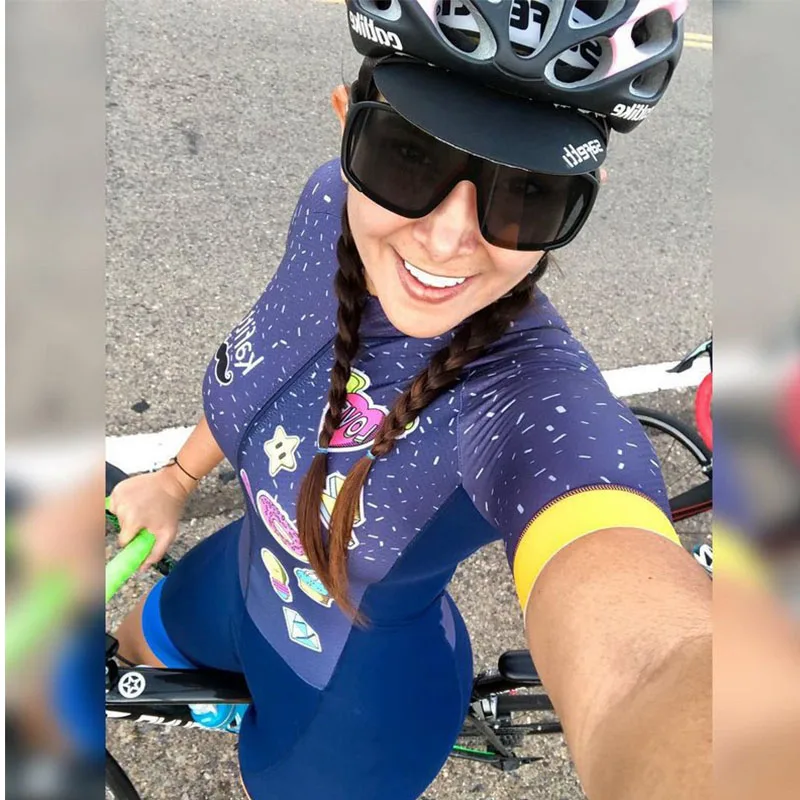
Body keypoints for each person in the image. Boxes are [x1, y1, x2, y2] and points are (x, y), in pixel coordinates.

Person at [110, 2, 711, 798]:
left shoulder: (533, 402)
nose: (446, 238)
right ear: (345, 127)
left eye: (526, 191)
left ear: (581, 199)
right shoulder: (328, 203)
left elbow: (655, 665)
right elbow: (267, 359)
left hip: (359, 718)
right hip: (240, 576)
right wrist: (176, 479)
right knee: (133, 650)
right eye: (407, 156)